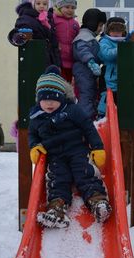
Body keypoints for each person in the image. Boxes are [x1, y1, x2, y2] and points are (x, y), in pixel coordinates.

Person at [28, 66, 112, 228]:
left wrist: (97, 147)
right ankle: (57, 209)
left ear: (62, 97)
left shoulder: (72, 110)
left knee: (85, 173)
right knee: (57, 179)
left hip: (77, 150)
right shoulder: (36, 117)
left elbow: (88, 127)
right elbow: (32, 134)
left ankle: (98, 202)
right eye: (44, 99)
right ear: (38, 99)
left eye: (54, 98)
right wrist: (34, 146)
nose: (49, 102)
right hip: (55, 156)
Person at [72, 8, 107, 119]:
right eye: (100, 25)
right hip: (83, 70)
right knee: (86, 95)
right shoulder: (83, 37)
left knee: (92, 94)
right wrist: (91, 61)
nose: (101, 29)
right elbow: (83, 51)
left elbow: (97, 53)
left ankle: (90, 118)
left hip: (88, 71)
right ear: (92, 23)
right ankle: (84, 120)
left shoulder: (90, 37)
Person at [8, 0, 61, 67]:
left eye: (44, 4)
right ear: (33, 5)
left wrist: (58, 65)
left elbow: (54, 45)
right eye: (38, 3)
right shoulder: (26, 18)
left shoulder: (49, 19)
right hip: (34, 60)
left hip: (50, 62)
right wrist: (18, 36)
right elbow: (17, 32)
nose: (41, 6)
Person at [97, 17, 127, 118]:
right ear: (108, 31)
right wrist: (121, 49)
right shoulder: (105, 41)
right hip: (108, 75)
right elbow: (106, 54)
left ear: (123, 32)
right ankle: (102, 114)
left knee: (120, 97)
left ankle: (119, 116)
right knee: (107, 95)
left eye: (119, 31)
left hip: (121, 77)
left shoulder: (125, 41)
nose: (116, 33)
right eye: (113, 30)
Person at [52, 0, 80, 83]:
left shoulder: (75, 23)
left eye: (72, 8)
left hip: (70, 59)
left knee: (68, 83)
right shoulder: (54, 20)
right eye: (67, 7)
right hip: (58, 59)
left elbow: (77, 38)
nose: (70, 10)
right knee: (59, 82)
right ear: (60, 8)